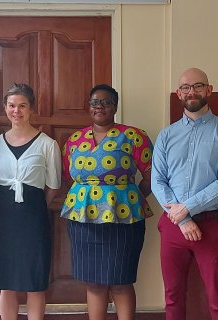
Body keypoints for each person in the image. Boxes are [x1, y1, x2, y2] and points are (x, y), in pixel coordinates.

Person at [151, 67, 218, 320]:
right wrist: (182, 218)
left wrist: (187, 207)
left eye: (198, 86)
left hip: (211, 227)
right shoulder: (167, 135)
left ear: (209, 90)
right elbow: (157, 180)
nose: (192, 92)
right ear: (178, 94)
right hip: (173, 226)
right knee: (172, 297)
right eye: (185, 88)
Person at [60, 84, 154, 320]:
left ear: (115, 107)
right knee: (93, 282)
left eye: (106, 102)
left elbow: (153, 174)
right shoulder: (74, 139)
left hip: (124, 217)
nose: (99, 106)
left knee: (121, 280)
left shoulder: (134, 136)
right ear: (88, 107)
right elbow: (66, 176)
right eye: (94, 102)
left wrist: (133, 197)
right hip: (83, 219)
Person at [0, 83, 61, 320]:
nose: (16, 111)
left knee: (34, 279)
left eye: (22, 106)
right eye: (11, 105)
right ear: (5, 108)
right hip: (5, 216)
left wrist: (35, 207)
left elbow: (53, 185)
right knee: (6, 280)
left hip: (34, 216)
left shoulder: (47, 144)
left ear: (31, 109)